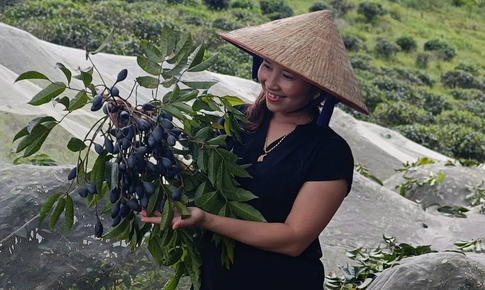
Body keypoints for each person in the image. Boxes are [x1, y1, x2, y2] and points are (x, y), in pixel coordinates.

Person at [141, 10, 369, 290]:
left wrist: (207, 219)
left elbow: (293, 239)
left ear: (317, 88)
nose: (271, 83)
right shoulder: (237, 120)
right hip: (217, 278)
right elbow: (201, 181)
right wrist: (146, 136)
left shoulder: (329, 153)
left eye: (287, 75)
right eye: (267, 65)